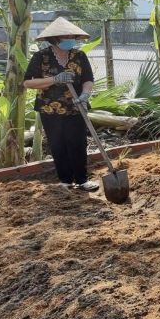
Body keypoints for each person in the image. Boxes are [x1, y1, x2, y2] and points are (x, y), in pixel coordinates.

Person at [22, 18, 99, 191]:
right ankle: (65, 180)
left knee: (78, 143)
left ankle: (82, 180)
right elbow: (28, 83)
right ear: (55, 38)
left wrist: (85, 95)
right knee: (58, 144)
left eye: (72, 36)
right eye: (66, 36)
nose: (70, 39)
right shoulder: (41, 57)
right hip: (49, 109)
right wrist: (55, 79)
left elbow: (88, 79)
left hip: (76, 107)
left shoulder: (79, 56)